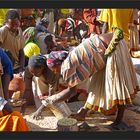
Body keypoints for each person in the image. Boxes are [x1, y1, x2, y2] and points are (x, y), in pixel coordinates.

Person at [30, 28, 138, 130]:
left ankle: (119, 122)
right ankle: (83, 113)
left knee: (118, 86)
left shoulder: (66, 68)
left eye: (53, 69)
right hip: (109, 45)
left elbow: (71, 92)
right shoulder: (69, 58)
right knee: (98, 84)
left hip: (115, 46)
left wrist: (51, 100)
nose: (54, 72)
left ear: (58, 65)